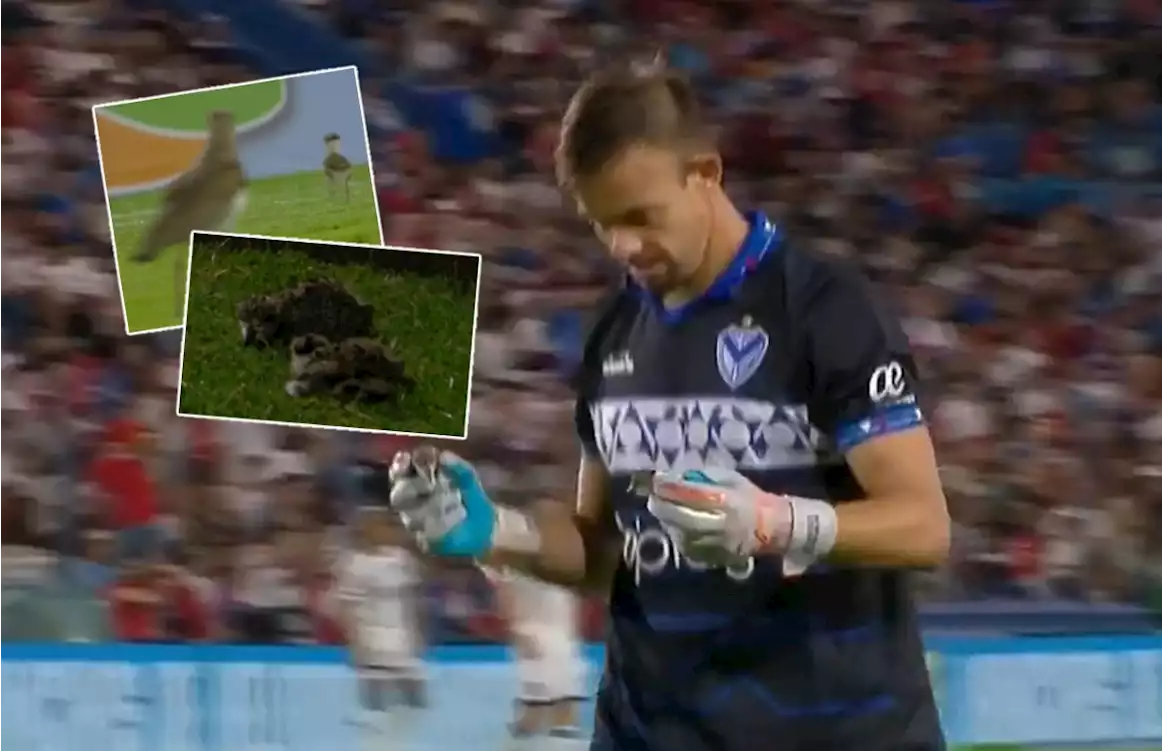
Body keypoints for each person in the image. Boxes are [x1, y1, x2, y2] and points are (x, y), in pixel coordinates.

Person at [390, 60, 951, 751]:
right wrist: (495, 530)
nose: (624, 246)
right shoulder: (614, 331)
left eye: (640, 217)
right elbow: (602, 551)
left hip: (834, 730)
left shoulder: (825, 309)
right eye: (602, 224)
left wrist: (776, 522)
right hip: (652, 727)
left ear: (706, 173)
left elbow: (924, 525)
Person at [335, 506, 427, 751]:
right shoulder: (353, 563)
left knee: (416, 694)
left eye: (385, 525)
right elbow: (347, 607)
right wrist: (355, 642)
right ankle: (374, 742)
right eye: (375, 525)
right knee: (375, 694)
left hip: (402, 635)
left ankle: (406, 737)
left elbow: (411, 600)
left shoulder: (401, 559)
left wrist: (417, 633)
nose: (383, 530)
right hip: (371, 636)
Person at [492, 568, 588, 750]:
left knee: (544, 665)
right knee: (550, 665)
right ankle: (548, 720)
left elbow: (506, 591)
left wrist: (511, 620)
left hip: (544, 625)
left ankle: (541, 719)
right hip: (548, 624)